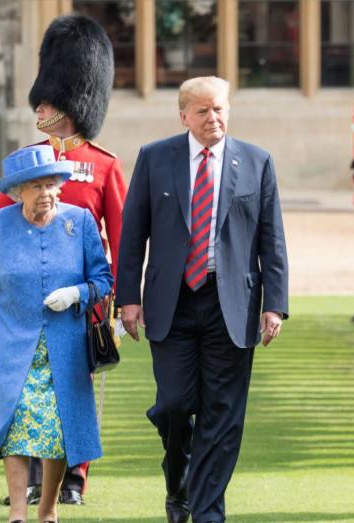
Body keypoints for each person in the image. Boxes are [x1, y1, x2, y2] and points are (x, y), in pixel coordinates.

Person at [117, 76, 289, 523]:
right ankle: (179, 482)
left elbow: (272, 240)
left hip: (231, 303)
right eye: (203, 111)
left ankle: (208, 511)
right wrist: (127, 298)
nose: (213, 119)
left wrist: (275, 304)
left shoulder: (256, 161)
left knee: (222, 415)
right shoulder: (156, 158)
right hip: (171, 301)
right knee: (174, 405)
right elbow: (133, 234)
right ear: (183, 116)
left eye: (220, 109)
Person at [0, 13, 124, 506]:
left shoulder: (104, 166)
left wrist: (121, 299)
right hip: (27, 299)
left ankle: (73, 478)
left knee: (75, 391)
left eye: (50, 100)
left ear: (71, 103)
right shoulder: (24, 161)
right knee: (26, 388)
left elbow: (123, 239)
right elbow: (1, 232)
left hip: (80, 303)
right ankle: (28, 478)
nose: (40, 106)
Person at [0, 145, 113, 523]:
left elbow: (102, 279)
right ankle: (17, 514)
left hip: (65, 347)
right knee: (15, 426)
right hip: (14, 346)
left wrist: (76, 293)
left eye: (51, 185)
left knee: (58, 429)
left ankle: (47, 511)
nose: (46, 193)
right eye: (36, 187)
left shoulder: (79, 222)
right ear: (18, 192)